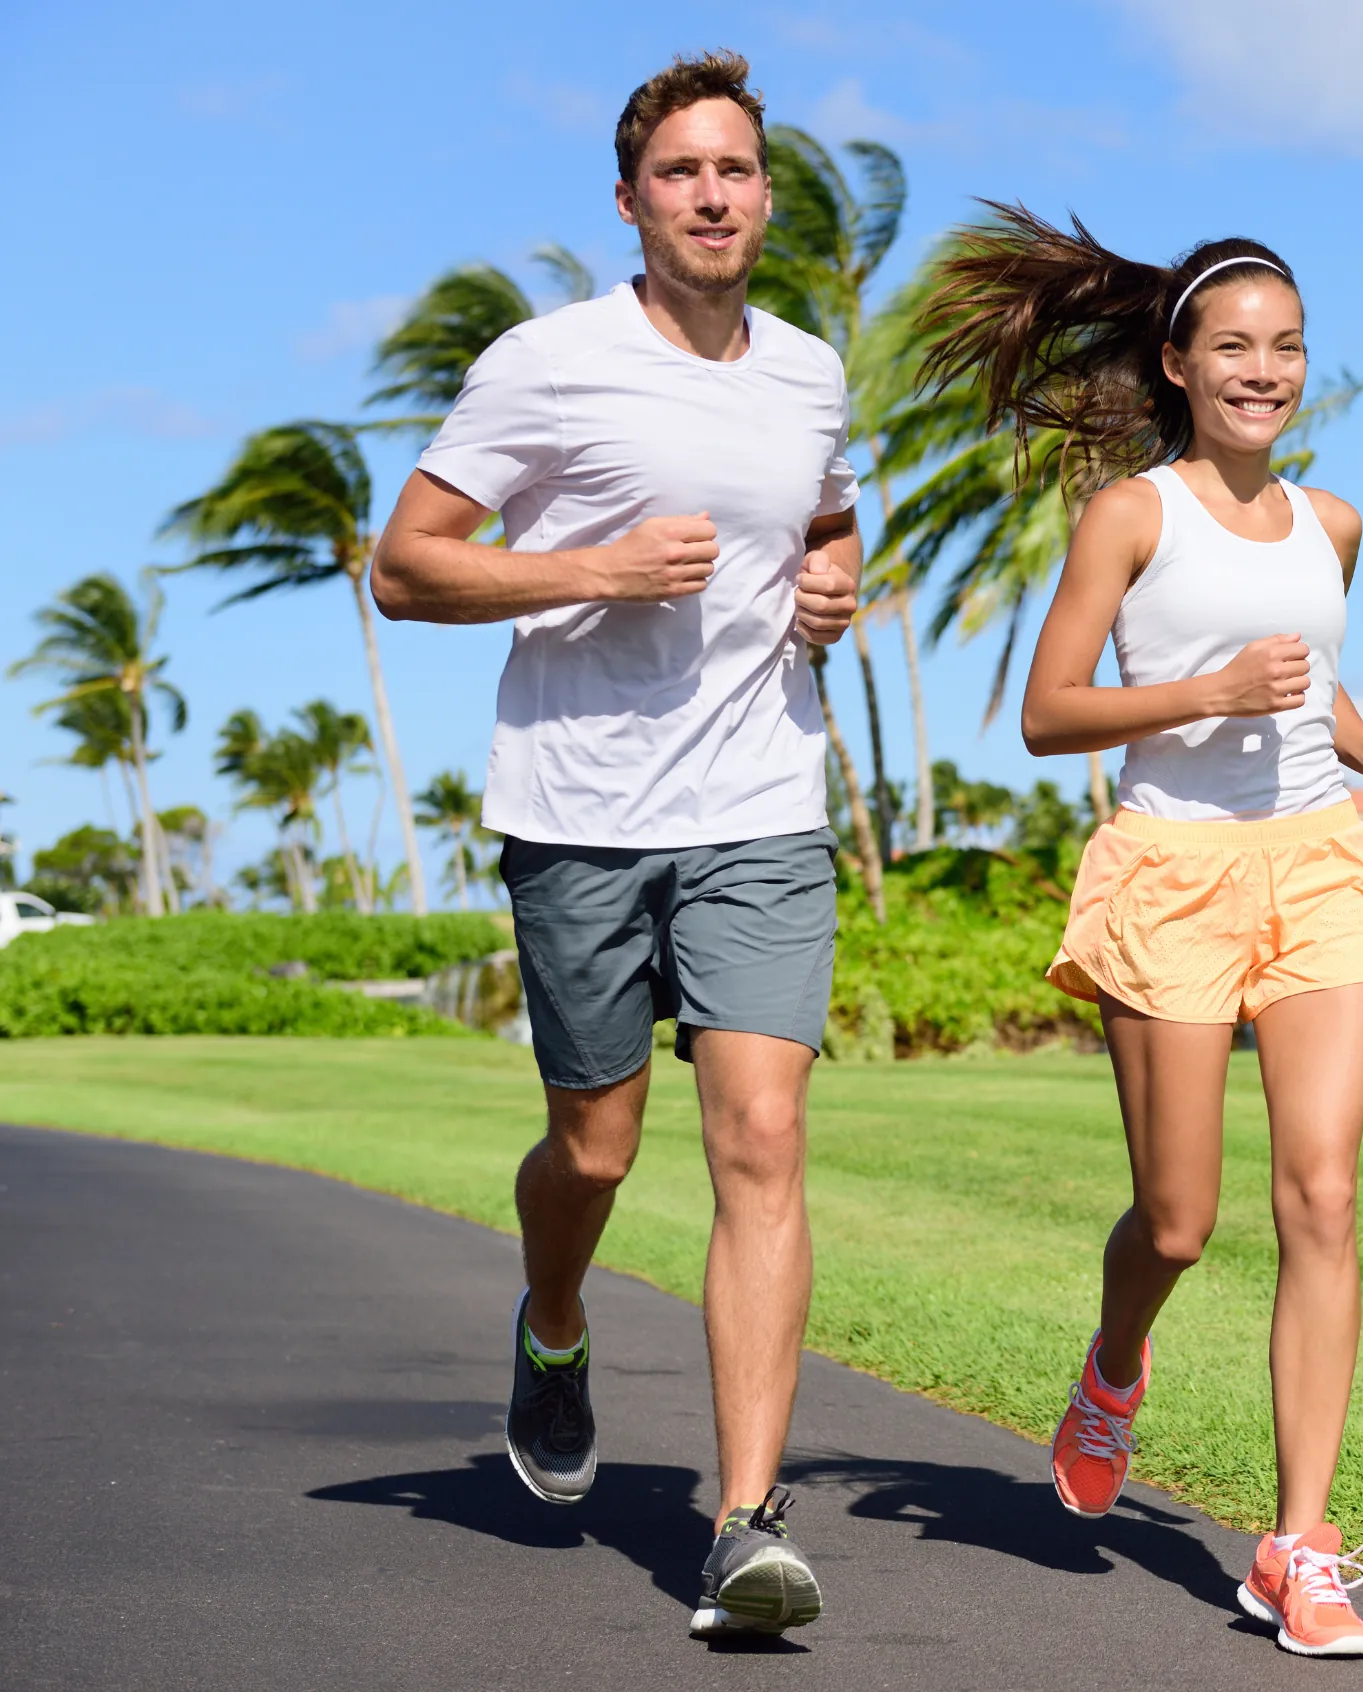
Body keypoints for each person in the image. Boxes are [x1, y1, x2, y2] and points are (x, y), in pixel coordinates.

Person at [372, 51, 859, 1640]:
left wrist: (832, 590)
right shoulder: (548, 364)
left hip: (762, 808)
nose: (712, 196)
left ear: (766, 196)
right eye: (680, 174)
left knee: (762, 1142)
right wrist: (592, 569)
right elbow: (406, 567)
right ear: (632, 201)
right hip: (580, 813)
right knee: (595, 1147)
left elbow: (825, 514)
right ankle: (557, 1321)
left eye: (735, 171)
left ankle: (745, 1523)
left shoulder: (807, 371)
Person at [918, 209, 1363, 1659]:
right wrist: (1206, 692)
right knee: (1181, 1219)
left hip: (1318, 864)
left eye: (1286, 347)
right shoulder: (1132, 514)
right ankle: (1115, 1364)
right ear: (1181, 365)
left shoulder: (1334, 525)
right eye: (1235, 348)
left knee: (1323, 1197)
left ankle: (1300, 1547)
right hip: (1171, 876)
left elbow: (1311, 679)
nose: (1263, 370)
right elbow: (1047, 712)